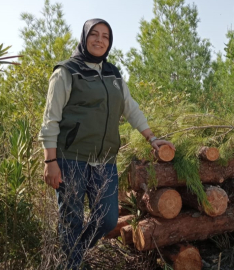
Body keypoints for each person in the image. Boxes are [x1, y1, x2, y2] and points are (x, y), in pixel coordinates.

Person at [38, 18, 175, 269]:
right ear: (84, 37)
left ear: (109, 43)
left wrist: (152, 138)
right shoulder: (66, 72)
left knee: (108, 220)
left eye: (105, 36)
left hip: (104, 161)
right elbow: (50, 120)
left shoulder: (113, 74)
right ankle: (71, 264)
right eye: (94, 34)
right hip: (71, 159)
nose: (100, 40)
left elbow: (131, 109)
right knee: (71, 220)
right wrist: (50, 161)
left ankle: (71, 257)